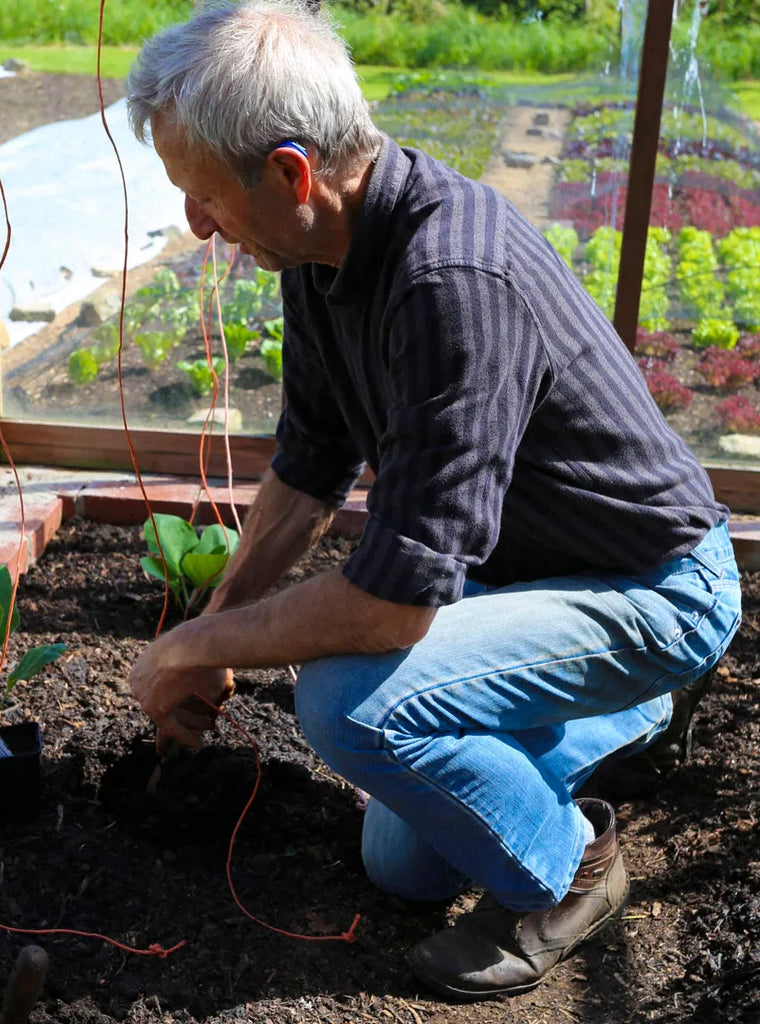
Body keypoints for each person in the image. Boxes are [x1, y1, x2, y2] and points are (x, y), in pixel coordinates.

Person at [123, 0, 741, 1000]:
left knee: (347, 701)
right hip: (529, 580)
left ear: (291, 172)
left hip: (652, 588)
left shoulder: (449, 279)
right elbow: (307, 471)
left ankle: (573, 869)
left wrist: (186, 651)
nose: (197, 227)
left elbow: (392, 602)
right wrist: (214, 621)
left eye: (203, 199)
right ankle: (633, 713)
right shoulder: (320, 250)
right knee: (402, 866)